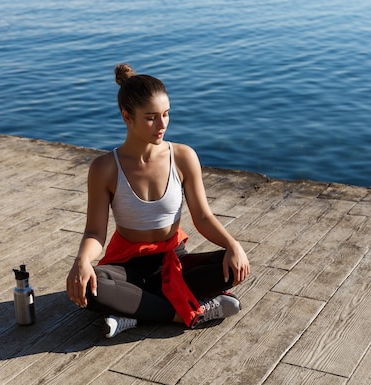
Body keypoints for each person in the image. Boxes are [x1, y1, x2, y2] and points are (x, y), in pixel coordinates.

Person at [66, 64, 250, 338]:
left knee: (232, 266)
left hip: (172, 260)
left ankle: (133, 313)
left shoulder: (183, 156)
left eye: (166, 115)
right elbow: (95, 232)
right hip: (127, 266)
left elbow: (202, 217)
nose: (162, 124)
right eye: (151, 117)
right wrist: (81, 261)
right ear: (127, 117)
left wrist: (233, 245)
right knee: (93, 287)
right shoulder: (105, 167)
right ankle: (186, 312)